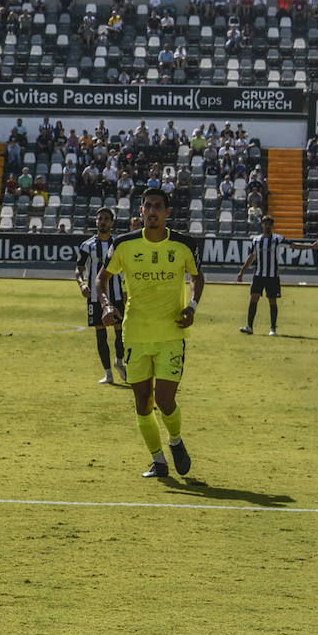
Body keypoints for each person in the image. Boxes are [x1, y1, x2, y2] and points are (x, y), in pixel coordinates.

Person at [95, 188, 203, 479]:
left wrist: (191, 307)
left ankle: (176, 440)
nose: (152, 211)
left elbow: (197, 276)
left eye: (158, 206)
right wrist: (105, 304)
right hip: (135, 334)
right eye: (148, 206)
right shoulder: (123, 244)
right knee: (142, 403)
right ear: (141, 212)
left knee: (166, 400)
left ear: (167, 212)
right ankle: (158, 460)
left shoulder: (184, 244)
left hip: (171, 333)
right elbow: (101, 279)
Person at [236, 216, 318, 336]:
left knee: (272, 301)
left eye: (270, 224)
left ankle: (273, 329)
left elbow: (293, 245)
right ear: (262, 225)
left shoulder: (278, 239)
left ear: (272, 226)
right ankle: (249, 326)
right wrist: (242, 272)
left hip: (272, 276)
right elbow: (251, 257)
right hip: (259, 275)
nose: (267, 226)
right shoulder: (256, 240)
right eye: (265, 223)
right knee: (254, 298)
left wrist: (311, 247)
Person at [75, 207, 127, 384]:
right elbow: (79, 268)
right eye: (100, 219)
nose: (103, 222)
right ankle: (108, 373)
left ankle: (119, 363)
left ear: (112, 223)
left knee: (120, 332)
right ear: (96, 222)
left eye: (106, 219)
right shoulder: (87, 245)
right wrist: (82, 284)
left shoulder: (119, 244)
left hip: (117, 295)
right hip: (95, 297)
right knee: (100, 333)